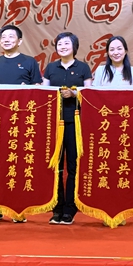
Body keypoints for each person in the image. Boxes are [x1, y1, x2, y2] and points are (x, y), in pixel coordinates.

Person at [0, 24, 43, 223]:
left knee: (20, 163)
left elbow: (37, 89)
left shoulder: (29, 62)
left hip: (22, 122)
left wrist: (27, 89)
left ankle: (18, 209)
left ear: (19, 41)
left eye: (11, 37)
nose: (6, 40)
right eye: (3, 37)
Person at [43, 32, 93, 225]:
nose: (62, 47)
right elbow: (44, 93)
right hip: (54, 123)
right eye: (59, 44)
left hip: (75, 123)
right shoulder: (50, 68)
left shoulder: (83, 67)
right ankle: (57, 207)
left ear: (74, 47)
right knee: (55, 166)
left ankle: (70, 208)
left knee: (73, 166)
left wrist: (74, 94)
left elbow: (89, 94)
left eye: (66, 43)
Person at [92, 35, 133, 227]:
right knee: (106, 168)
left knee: (124, 168)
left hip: (126, 128)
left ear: (126, 51)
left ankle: (122, 210)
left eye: (119, 48)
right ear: (107, 53)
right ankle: (106, 210)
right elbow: (94, 96)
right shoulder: (101, 70)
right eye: (112, 49)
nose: (116, 52)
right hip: (105, 128)